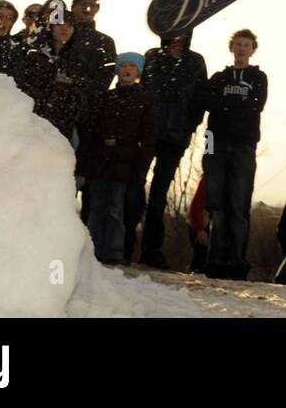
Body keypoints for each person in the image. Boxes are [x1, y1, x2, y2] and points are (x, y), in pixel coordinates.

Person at [199, 29, 267, 280]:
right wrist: (234, 105)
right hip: (213, 141)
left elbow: (256, 104)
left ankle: (237, 262)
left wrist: (225, 105)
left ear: (252, 49)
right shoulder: (219, 77)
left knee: (238, 205)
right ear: (231, 47)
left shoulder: (259, 77)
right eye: (237, 44)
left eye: (246, 45)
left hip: (244, 143)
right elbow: (206, 101)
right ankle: (215, 263)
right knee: (216, 204)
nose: (241, 48)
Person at [76, 52, 156, 264]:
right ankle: (92, 252)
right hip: (101, 161)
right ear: (117, 70)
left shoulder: (144, 101)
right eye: (123, 66)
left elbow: (148, 138)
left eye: (132, 66)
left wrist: (141, 167)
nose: (127, 70)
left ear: (138, 72)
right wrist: (87, 162)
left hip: (125, 163)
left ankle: (114, 252)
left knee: (116, 209)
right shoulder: (105, 99)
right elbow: (90, 132)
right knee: (96, 207)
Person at [138, 31, 208, 267]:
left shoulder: (195, 61)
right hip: (148, 133)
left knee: (159, 195)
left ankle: (151, 250)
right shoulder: (152, 56)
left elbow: (200, 99)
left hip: (175, 137)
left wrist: (189, 126)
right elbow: (143, 90)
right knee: (134, 188)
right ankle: (125, 244)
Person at [16, 0, 92, 143]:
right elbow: (24, 88)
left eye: (70, 26)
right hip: (31, 122)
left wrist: (68, 113)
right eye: (60, 24)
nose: (65, 29)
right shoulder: (34, 56)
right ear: (51, 27)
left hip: (61, 127)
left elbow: (80, 96)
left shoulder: (79, 61)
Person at [188, 176, 209, 273]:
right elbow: (197, 205)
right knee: (200, 253)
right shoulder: (206, 181)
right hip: (199, 225)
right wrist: (200, 229)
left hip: (206, 223)